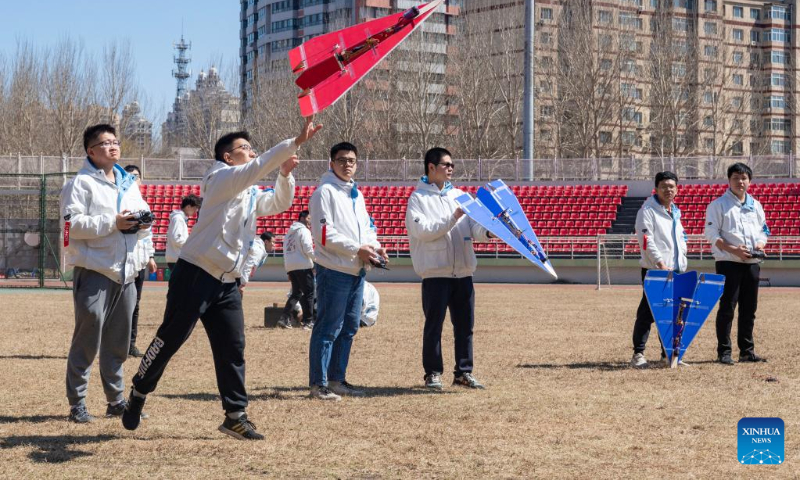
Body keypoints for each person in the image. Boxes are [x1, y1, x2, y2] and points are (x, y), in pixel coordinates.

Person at [122, 117, 322, 440]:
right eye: (245, 148)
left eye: (252, 148)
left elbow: (279, 202)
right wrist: (295, 142)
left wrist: (285, 174)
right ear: (227, 157)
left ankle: (235, 415)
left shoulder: (249, 191)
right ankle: (139, 391)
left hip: (227, 281)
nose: (252, 152)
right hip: (195, 273)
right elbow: (256, 168)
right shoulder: (219, 178)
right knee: (171, 339)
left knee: (233, 346)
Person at [61, 124, 152, 423]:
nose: (114, 146)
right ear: (91, 151)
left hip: (127, 274)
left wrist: (143, 226)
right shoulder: (80, 184)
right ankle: (77, 403)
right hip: (95, 270)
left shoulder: (130, 184)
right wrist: (113, 222)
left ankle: (116, 401)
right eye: (106, 143)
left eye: (116, 141)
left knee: (118, 342)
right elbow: (70, 226)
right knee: (87, 338)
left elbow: (143, 223)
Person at [405, 147, 491, 390]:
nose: (451, 168)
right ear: (431, 167)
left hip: (463, 271)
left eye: (452, 164)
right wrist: (453, 217)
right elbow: (424, 231)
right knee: (434, 326)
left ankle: (464, 372)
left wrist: (488, 232)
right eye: (446, 164)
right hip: (435, 272)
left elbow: (474, 228)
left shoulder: (461, 196)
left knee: (465, 326)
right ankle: (432, 373)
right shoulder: (418, 199)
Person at [308, 142, 387, 401]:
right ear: (331, 163)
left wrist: (375, 247)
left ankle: (337, 379)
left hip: (356, 269)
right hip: (334, 268)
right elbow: (323, 233)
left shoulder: (356, 194)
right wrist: (357, 249)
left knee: (350, 326)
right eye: (341, 160)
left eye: (351, 160)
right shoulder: (324, 192)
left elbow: (367, 228)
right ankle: (318, 384)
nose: (347, 164)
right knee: (328, 327)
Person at [704, 162, 769, 365]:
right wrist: (733, 249)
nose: (740, 182)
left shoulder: (756, 205)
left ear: (749, 181)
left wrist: (760, 244)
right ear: (729, 180)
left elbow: (763, 230)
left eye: (743, 178)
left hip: (752, 263)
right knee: (727, 308)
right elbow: (711, 234)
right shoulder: (718, 205)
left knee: (749, 309)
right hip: (728, 262)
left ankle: (746, 351)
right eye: (735, 178)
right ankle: (724, 351)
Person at [631, 171, 688, 369]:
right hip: (655, 270)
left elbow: (681, 239)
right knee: (647, 312)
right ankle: (638, 353)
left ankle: (668, 354)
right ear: (656, 188)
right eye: (664, 186)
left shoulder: (676, 212)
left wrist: (682, 260)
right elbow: (646, 240)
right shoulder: (647, 210)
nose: (668, 190)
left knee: (673, 315)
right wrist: (660, 264)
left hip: (676, 270)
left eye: (671, 186)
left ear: (677, 189)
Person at [123, 165, 158, 358]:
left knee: (135, 304)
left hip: (139, 262)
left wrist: (150, 256)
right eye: (129, 176)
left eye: (136, 176)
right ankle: (113, 344)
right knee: (117, 304)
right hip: (122, 260)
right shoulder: (120, 199)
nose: (133, 180)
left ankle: (131, 344)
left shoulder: (143, 204)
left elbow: (148, 234)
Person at [279, 210, 316, 330]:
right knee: (309, 293)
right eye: (309, 219)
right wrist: (317, 260)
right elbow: (308, 248)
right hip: (303, 265)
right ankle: (308, 321)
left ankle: (284, 318)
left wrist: (288, 270)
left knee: (296, 293)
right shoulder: (304, 230)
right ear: (303, 218)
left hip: (291, 266)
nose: (311, 222)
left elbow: (285, 251)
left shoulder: (289, 233)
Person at [165, 194, 202, 271]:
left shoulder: (180, 218)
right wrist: (191, 244)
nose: (196, 211)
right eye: (195, 208)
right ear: (188, 207)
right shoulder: (178, 219)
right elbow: (177, 239)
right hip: (177, 257)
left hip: (176, 257)